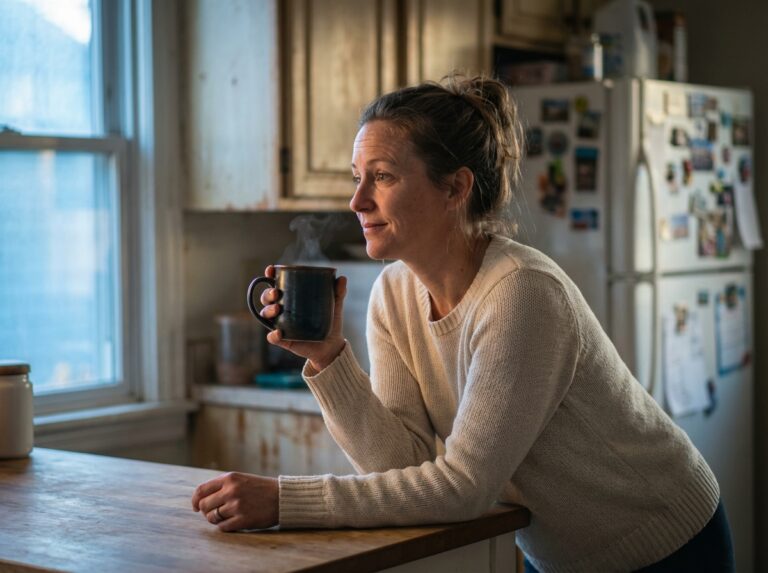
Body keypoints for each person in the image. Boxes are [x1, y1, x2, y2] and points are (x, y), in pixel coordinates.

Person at [191, 74, 735, 572]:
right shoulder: (394, 294)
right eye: (358, 178)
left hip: (664, 542)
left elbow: (462, 489)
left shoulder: (520, 293)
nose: (357, 200)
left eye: (382, 177)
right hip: (562, 556)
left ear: (455, 188)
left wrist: (287, 501)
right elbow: (400, 464)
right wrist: (328, 359)